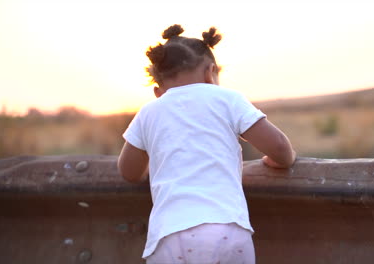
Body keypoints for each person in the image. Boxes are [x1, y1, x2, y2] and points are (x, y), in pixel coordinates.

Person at [117, 24, 296, 264]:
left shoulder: (149, 111)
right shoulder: (227, 99)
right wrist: (275, 160)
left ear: (158, 90)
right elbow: (281, 149)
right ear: (211, 73)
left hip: (167, 236)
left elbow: (129, 172)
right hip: (225, 228)